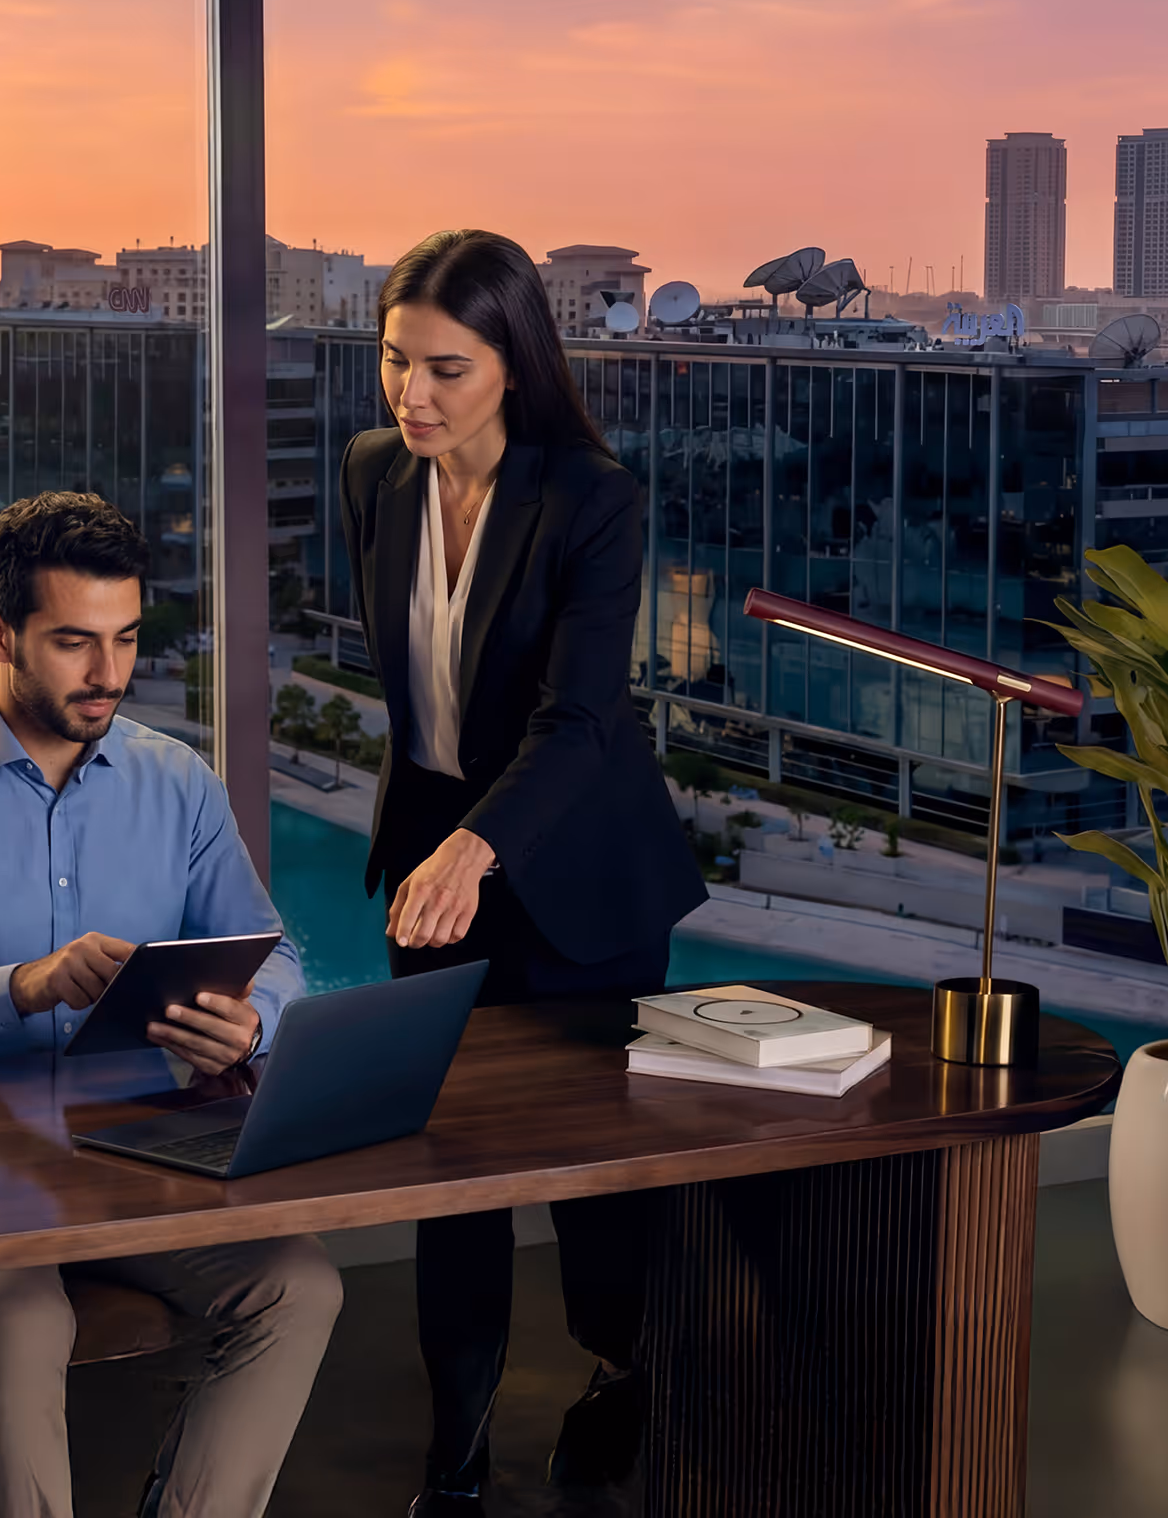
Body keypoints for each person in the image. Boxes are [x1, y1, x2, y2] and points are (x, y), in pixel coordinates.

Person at [0, 492, 343, 1518]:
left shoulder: (176, 782)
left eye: (127, 639)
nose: (109, 674)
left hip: (131, 1160)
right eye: (73, 643)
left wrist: (254, 1017)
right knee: (23, 1319)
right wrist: (21, 988)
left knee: (302, 1285)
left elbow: (274, 959)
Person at [338, 230, 706, 1513]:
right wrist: (434, 850)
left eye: (446, 367)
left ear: (514, 364)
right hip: (434, 883)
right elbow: (418, 697)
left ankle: (618, 1375)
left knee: (596, 1181)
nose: (412, 395)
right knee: (454, 1177)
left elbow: (582, 719)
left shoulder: (591, 500)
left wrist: (477, 846)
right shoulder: (373, 474)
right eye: (395, 362)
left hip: (579, 885)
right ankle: (457, 1447)